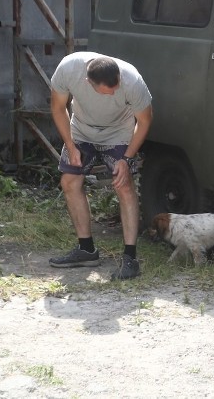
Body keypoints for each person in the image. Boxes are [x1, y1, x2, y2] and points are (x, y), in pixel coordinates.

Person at [48, 52, 153, 280]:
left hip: (118, 133)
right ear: (88, 83)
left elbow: (144, 120)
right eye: (109, 90)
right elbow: (58, 107)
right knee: (69, 181)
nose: (115, 91)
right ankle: (86, 250)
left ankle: (130, 259)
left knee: (124, 185)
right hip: (81, 130)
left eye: (117, 86)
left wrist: (126, 159)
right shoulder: (69, 69)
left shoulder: (132, 80)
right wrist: (70, 144)